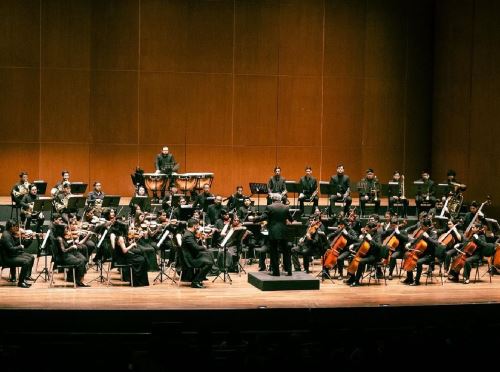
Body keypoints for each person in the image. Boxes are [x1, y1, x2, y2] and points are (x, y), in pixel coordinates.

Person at [252, 193, 294, 276]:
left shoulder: (270, 207)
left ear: (272, 199)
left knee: (274, 252)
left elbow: (263, 217)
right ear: (280, 199)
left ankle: (276, 272)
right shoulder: (286, 207)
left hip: (274, 232)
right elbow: (291, 219)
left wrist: (255, 219)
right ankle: (289, 271)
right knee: (286, 252)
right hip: (283, 232)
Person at [112, 220, 150, 287]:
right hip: (123, 258)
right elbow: (124, 250)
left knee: (142, 258)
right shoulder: (120, 238)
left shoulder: (120, 236)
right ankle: (137, 282)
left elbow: (124, 246)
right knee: (141, 260)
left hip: (124, 256)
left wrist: (131, 242)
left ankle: (139, 281)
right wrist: (132, 245)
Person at [181, 219, 216, 288]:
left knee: (208, 254)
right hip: (189, 259)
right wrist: (203, 247)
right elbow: (196, 247)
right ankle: (196, 281)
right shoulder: (188, 235)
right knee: (209, 263)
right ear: (194, 226)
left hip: (192, 256)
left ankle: (199, 278)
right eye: (197, 226)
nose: (198, 227)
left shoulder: (189, 233)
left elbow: (193, 245)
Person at [52, 223, 89, 287]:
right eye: (65, 229)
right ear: (61, 230)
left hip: (67, 255)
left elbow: (65, 245)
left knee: (84, 259)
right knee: (80, 262)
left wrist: (72, 242)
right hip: (62, 258)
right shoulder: (59, 239)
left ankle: (71, 276)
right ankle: (79, 281)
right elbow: (63, 251)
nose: (67, 230)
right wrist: (71, 247)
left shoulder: (62, 237)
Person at [0, 219, 35, 288]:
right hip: (7, 258)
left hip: (11, 255)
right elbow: (11, 249)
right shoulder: (6, 236)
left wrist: (25, 239)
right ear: (11, 227)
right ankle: (21, 282)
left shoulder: (9, 233)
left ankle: (25, 277)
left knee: (30, 257)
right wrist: (20, 247)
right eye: (16, 227)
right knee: (26, 262)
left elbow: (14, 245)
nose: (17, 229)